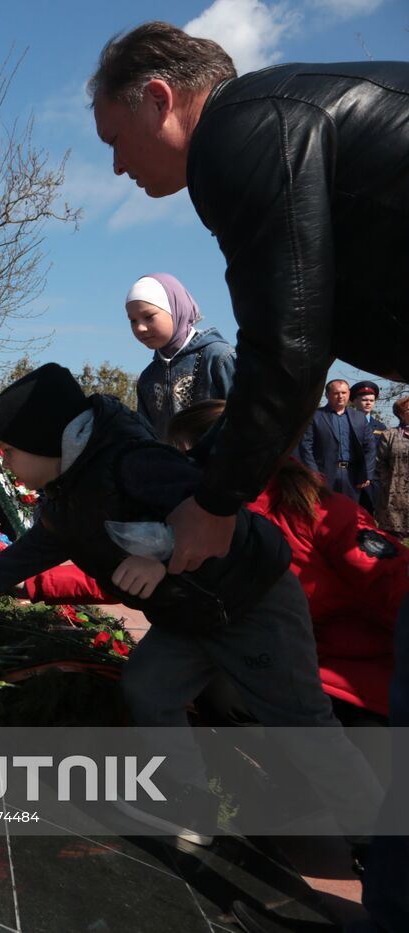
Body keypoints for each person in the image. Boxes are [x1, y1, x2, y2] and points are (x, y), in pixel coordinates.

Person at [0, 363, 382, 849]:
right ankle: (190, 800)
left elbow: (216, 515)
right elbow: (35, 551)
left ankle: (378, 844)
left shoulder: (131, 462)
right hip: (190, 615)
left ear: (46, 442)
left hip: (249, 603)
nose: (3, 461)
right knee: (150, 688)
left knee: (303, 728)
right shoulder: (68, 493)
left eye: (9, 450)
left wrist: (164, 558)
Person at [87, 23, 409, 577]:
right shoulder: (268, 112)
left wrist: (214, 503)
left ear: (160, 99)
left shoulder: (240, 131)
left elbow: (289, 344)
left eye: (113, 140)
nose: (116, 166)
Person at [29, 398, 401, 721]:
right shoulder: (191, 515)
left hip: (356, 677)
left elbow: (394, 582)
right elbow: (132, 575)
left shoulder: (313, 510)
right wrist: (33, 584)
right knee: (202, 687)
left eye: (178, 456)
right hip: (280, 658)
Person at [125, 273, 235, 439]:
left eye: (149, 317)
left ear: (176, 310)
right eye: (133, 320)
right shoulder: (148, 378)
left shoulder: (218, 358)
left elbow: (249, 419)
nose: (140, 328)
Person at [297, 379, 376, 502]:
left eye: (344, 393)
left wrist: (366, 474)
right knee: (323, 512)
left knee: (348, 514)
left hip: (352, 476)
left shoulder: (359, 418)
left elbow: (370, 448)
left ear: (349, 394)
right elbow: (306, 446)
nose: (340, 396)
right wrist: (314, 474)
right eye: (336, 393)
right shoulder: (315, 416)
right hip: (324, 475)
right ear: (327, 395)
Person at [375, 397, 409, 540]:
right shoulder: (389, 435)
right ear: (400, 413)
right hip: (395, 497)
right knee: (393, 544)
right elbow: (380, 463)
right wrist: (387, 483)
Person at [352, 381, 389, 514]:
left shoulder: (380, 427)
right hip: (350, 476)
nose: (368, 403)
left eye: (371, 400)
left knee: (368, 515)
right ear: (355, 401)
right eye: (364, 400)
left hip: (372, 479)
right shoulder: (345, 421)